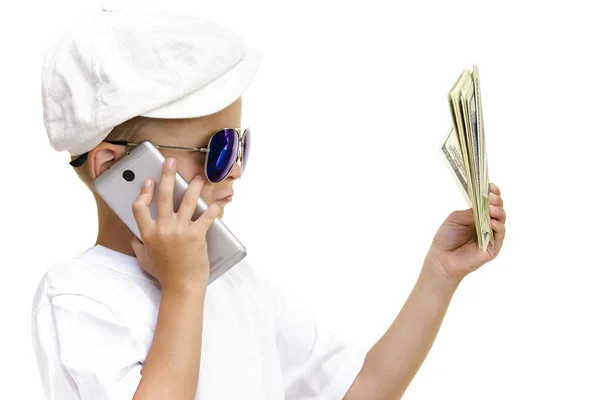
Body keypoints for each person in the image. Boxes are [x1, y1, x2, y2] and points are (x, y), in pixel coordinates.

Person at [31, 7, 507, 400]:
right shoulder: (79, 295)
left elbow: (359, 389)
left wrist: (439, 276)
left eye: (240, 145)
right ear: (113, 166)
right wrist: (182, 287)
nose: (234, 169)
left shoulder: (235, 282)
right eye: (216, 151)